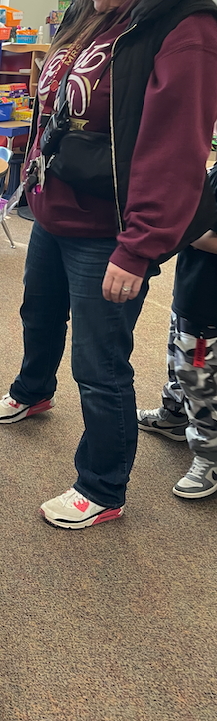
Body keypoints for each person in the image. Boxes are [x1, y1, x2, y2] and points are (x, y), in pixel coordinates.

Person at [0, 0, 217, 529]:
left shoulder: (187, 25)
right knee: (38, 313)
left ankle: (104, 486)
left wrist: (139, 246)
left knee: (99, 360)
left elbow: (174, 148)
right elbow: (59, 98)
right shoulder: (100, 9)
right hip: (55, 206)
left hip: (108, 231)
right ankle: (34, 392)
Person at [137, 165, 217, 499]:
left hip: (209, 303)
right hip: (190, 291)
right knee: (177, 358)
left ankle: (210, 456)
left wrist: (182, 228)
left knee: (198, 376)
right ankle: (173, 414)